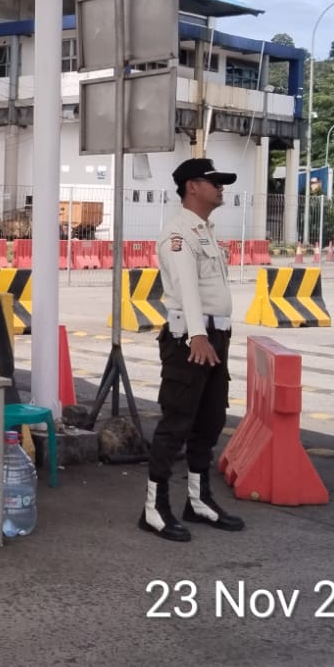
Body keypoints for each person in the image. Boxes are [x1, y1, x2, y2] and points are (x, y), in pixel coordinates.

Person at [141, 157, 246, 542]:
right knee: (176, 422)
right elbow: (186, 286)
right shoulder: (178, 233)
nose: (221, 188)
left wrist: (213, 335)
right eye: (213, 182)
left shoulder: (206, 231)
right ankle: (154, 507)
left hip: (214, 337)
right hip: (190, 339)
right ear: (192, 187)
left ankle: (198, 501)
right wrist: (198, 336)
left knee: (210, 420)